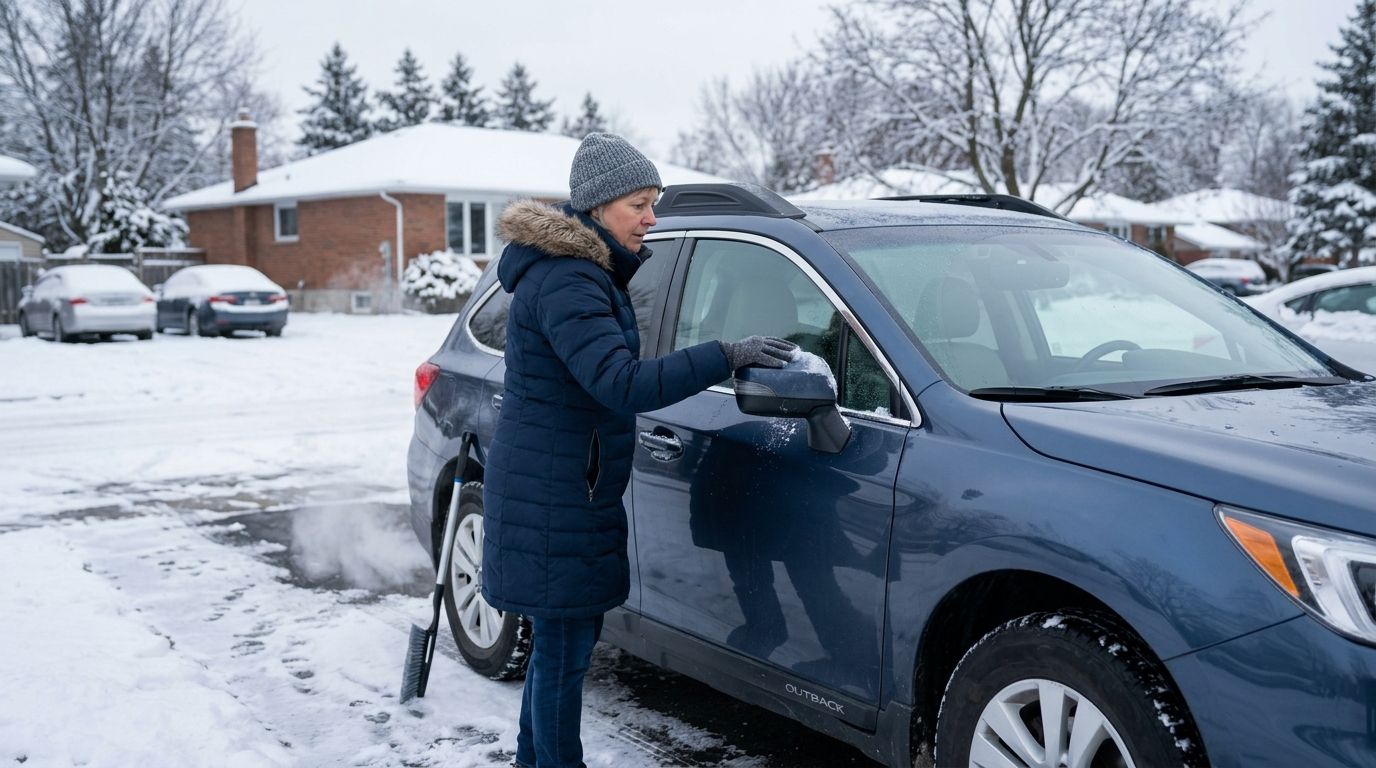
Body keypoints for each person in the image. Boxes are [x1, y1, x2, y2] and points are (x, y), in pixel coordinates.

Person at [479, 132, 795, 768]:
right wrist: (723, 354)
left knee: (556, 651)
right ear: (597, 207)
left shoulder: (575, 272)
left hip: (560, 488)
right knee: (565, 656)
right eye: (640, 204)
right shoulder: (571, 280)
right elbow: (619, 382)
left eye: (653, 203)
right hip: (558, 498)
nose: (653, 219)